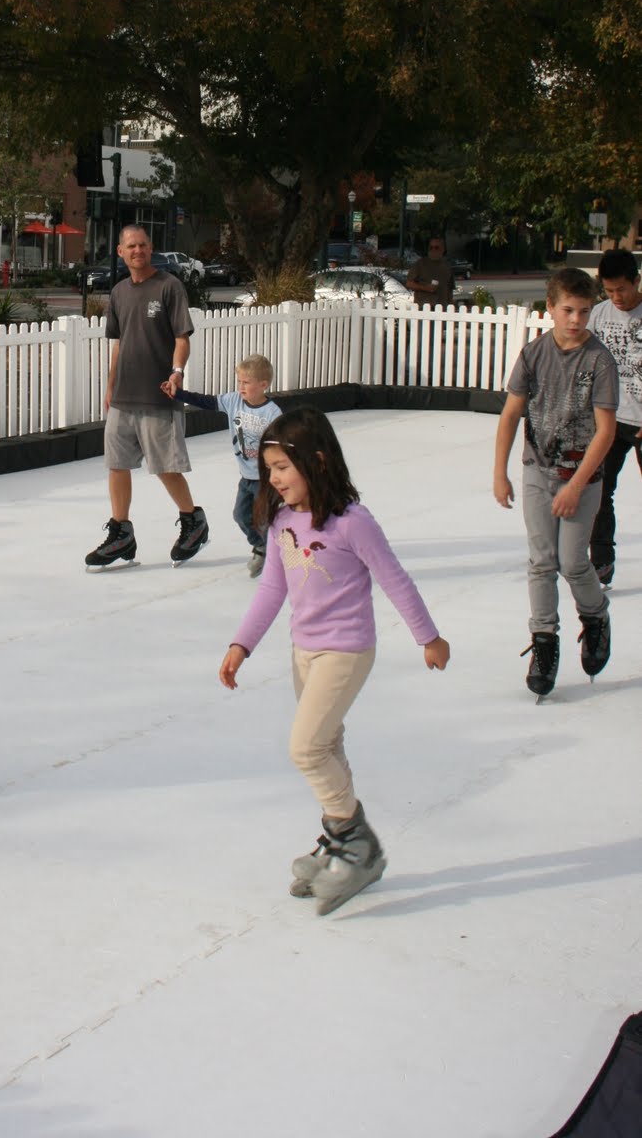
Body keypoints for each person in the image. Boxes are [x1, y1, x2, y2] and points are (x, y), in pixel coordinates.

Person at [218, 407, 450, 916]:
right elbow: (273, 588)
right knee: (326, 745)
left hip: (347, 649)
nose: (272, 478)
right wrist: (242, 644)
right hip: (304, 650)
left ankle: (356, 844)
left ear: (317, 461)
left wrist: (427, 637)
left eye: (282, 467)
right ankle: (339, 841)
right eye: (269, 469)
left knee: (305, 748)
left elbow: (393, 578)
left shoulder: (352, 521)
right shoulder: (282, 520)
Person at [493, 268, 617, 697]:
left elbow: (605, 431)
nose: (576, 320)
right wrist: (499, 472)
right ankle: (545, 643)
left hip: (582, 477)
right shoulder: (532, 354)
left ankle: (596, 614)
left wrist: (577, 485)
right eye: (568, 310)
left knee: (572, 561)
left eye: (584, 311)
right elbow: (511, 415)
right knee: (541, 562)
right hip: (537, 472)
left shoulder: (599, 360)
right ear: (550, 307)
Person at [85, 225, 209, 568]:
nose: (137, 250)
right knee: (117, 465)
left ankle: (193, 521)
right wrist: (110, 387)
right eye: (130, 246)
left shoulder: (169, 286)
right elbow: (118, 344)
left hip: (159, 395)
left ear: (150, 248)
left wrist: (177, 372)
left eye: (142, 244)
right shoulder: (119, 292)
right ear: (121, 252)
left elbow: (182, 337)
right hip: (123, 396)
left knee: (165, 467)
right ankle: (122, 533)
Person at [164, 353, 282, 575]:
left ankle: (275, 556)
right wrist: (178, 393)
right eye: (239, 381)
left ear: (263, 384)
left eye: (246, 382)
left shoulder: (272, 412)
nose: (241, 387)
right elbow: (206, 401)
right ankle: (261, 546)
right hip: (246, 478)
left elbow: (282, 444)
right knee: (240, 515)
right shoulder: (233, 401)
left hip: (267, 480)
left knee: (265, 519)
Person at [588, 248, 642, 586]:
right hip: (607, 420)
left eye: (621, 289)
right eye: (609, 291)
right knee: (598, 492)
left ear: (636, 281)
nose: (616, 297)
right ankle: (601, 562)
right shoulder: (597, 315)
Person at [406, 235, 455, 307]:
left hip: (442, 308)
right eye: (431, 247)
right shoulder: (420, 264)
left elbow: (450, 289)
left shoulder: (447, 266)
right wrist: (425, 288)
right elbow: (409, 283)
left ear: (443, 249)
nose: (433, 250)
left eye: (436, 247)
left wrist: (451, 304)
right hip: (423, 308)